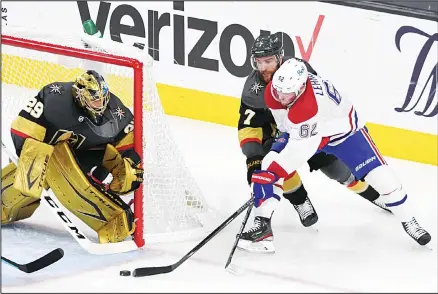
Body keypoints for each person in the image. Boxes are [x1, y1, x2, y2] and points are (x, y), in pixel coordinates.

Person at [246, 58, 431, 249]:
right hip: (307, 131)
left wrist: (274, 172)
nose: (282, 98)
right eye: (279, 92)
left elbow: (302, 150)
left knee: (383, 179)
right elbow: (286, 125)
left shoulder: (308, 106)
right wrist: (272, 169)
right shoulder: (274, 92)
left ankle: (410, 221)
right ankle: (263, 228)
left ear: (301, 89)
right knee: (268, 163)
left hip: (343, 133)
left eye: (288, 94)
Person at [237, 33, 390, 253]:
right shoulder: (253, 88)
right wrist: (254, 157)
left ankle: (375, 196)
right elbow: (249, 124)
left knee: (337, 171)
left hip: (311, 131)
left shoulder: (300, 71)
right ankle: (298, 204)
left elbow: (321, 106)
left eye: (268, 61)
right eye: (259, 62)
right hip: (276, 133)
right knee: (275, 168)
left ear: (280, 58)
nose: (263, 68)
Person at [1, 70, 144, 244]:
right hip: (48, 149)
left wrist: (129, 166)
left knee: (73, 182)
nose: (100, 103)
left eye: (102, 97)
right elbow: (22, 127)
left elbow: (130, 144)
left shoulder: (117, 110)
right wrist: (29, 156)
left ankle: (114, 222)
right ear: (80, 96)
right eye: (94, 99)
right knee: (39, 172)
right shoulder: (56, 99)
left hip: (87, 157)